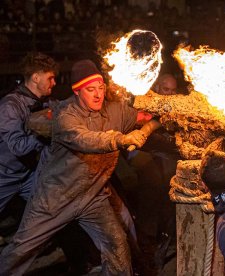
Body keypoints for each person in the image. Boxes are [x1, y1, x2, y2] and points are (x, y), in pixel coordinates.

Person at [0, 59, 160, 275]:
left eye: (100, 88)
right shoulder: (66, 116)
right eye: (90, 90)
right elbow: (85, 139)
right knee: (20, 250)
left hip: (93, 197)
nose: (97, 94)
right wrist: (119, 139)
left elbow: (140, 117)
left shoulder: (115, 111)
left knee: (117, 244)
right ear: (77, 92)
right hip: (56, 197)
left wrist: (155, 117)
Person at [0, 52, 57, 215]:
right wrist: (45, 133)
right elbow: (18, 147)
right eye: (50, 78)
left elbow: (65, 109)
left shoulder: (47, 102)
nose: (54, 83)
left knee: (49, 210)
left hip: (28, 175)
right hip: (4, 175)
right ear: (36, 78)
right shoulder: (10, 106)